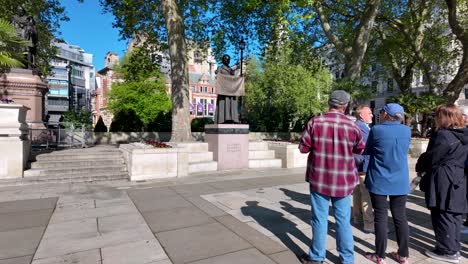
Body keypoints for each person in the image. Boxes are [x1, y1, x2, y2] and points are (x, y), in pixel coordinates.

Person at [299, 90, 365, 264]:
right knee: (343, 220)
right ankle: (347, 259)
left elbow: (303, 148)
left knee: (319, 218)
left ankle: (316, 257)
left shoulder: (315, 122)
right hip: (343, 181)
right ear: (345, 105)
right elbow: (359, 150)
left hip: (319, 179)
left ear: (329, 103)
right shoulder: (353, 126)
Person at [416, 104, 468, 264]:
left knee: (442, 214)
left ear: (445, 117)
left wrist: (420, 164)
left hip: (443, 178)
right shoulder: (464, 134)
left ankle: (448, 251)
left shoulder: (443, 135)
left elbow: (432, 157)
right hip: (458, 177)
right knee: (453, 215)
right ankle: (451, 247)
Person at [364, 103, 411, 264]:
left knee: (381, 217)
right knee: (400, 217)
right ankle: (403, 254)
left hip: (379, 180)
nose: (380, 114)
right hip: (400, 180)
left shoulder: (377, 130)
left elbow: (368, 151)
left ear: (385, 114)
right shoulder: (407, 130)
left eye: (381, 112)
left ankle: (380, 255)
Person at [352, 105, 375, 233]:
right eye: (369, 113)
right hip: (364, 165)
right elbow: (368, 146)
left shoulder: (360, 126)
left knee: (358, 192)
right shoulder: (360, 127)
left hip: (359, 164)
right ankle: (369, 223)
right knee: (366, 194)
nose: (372, 115)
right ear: (361, 115)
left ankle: (357, 217)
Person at [215, 54, 239, 124]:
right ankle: (223, 119)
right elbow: (218, 78)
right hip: (223, 91)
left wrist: (234, 74)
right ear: (223, 60)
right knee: (224, 103)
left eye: (228, 59)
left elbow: (233, 79)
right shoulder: (220, 68)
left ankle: (232, 118)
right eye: (226, 59)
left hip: (231, 91)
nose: (227, 60)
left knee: (231, 104)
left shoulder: (231, 69)